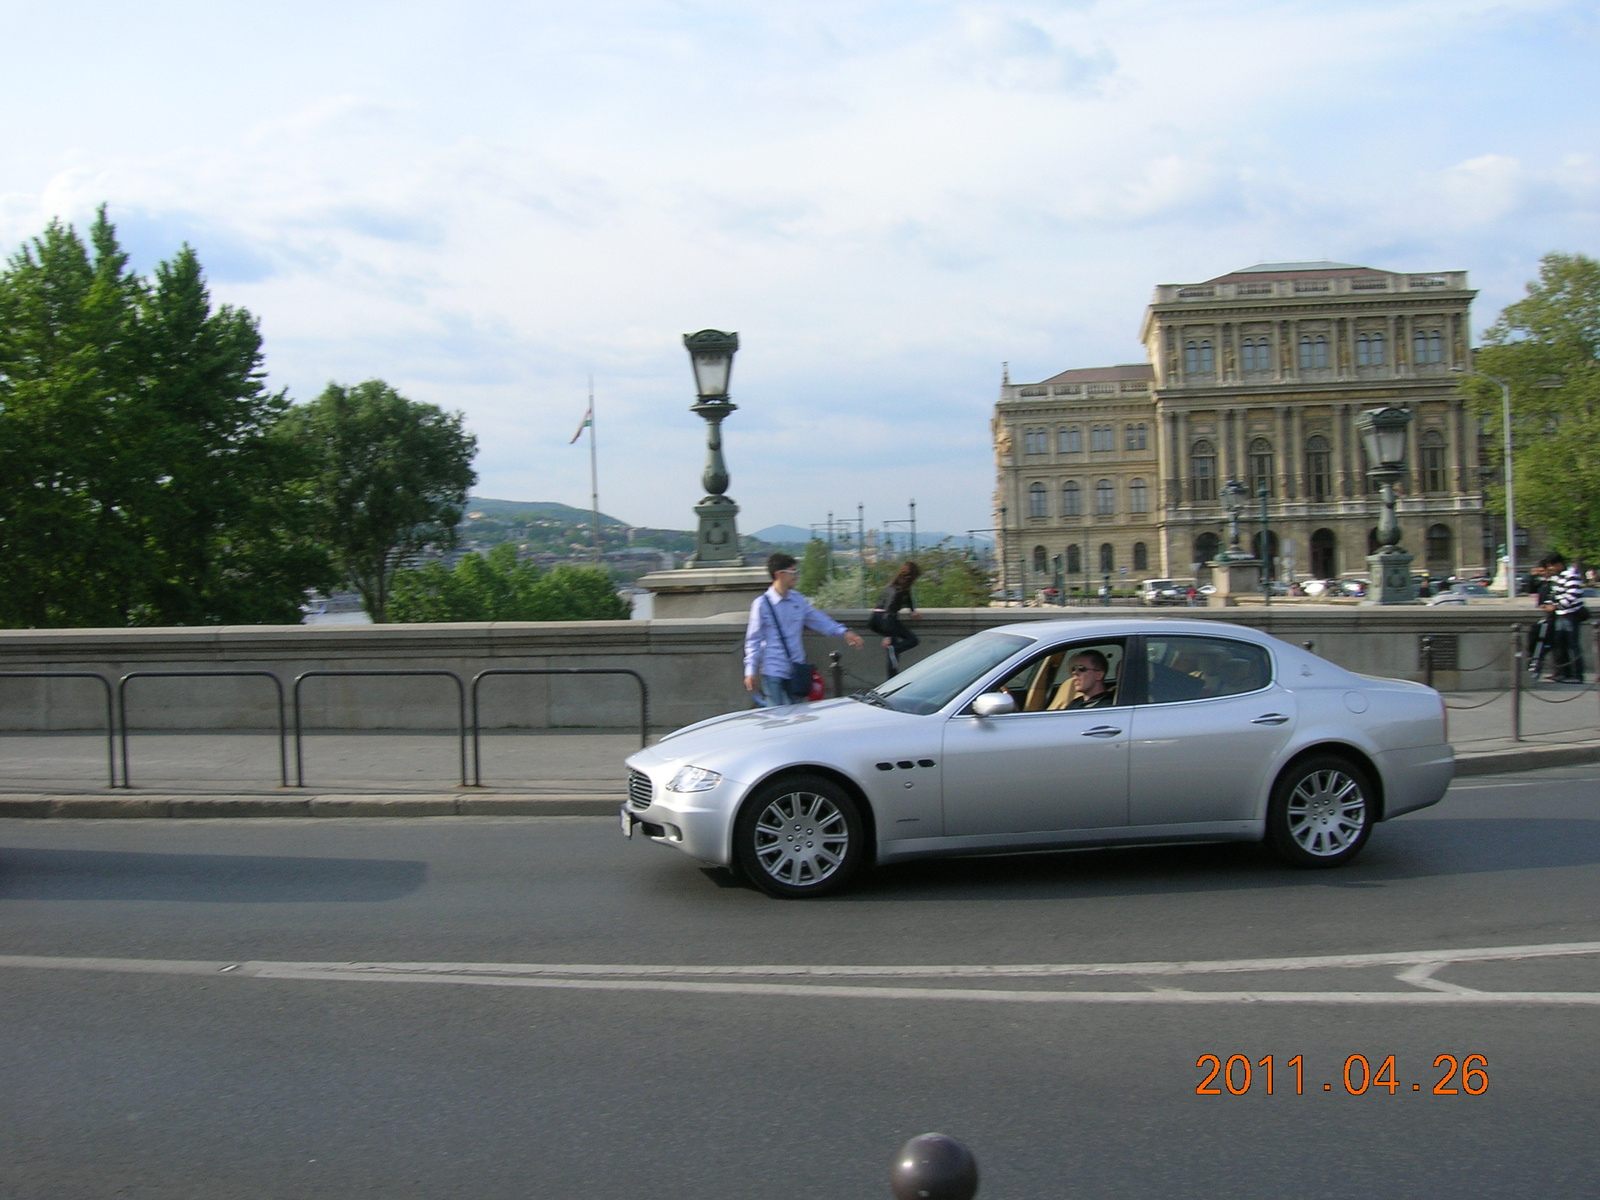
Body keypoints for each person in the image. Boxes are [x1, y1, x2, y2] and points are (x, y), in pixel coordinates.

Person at [744, 553, 863, 708]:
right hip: (773, 670)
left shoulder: (797, 600)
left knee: (796, 716)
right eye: (793, 572)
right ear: (779, 574)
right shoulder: (762, 604)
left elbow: (819, 621)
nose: (797, 576)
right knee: (775, 718)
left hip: (796, 669)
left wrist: (844, 632)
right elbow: (753, 640)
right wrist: (750, 671)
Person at [870, 562, 921, 675]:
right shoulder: (896, 592)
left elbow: (908, 598)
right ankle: (892, 679)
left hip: (879, 618)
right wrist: (887, 635)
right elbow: (889, 612)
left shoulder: (896, 586)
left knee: (904, 644)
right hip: (884, 620)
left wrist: (912, 611)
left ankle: (894, 651)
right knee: (908, 642)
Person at [1544, 552, 1586, 683]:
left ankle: (1578, 675)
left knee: (1572, 646)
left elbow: (1572, 597)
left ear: (1559, 564)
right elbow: (1553, 594)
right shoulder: (1557, 577)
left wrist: (1555, 606)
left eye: (1552, 566)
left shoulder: (1571, 575)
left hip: (1570, 615)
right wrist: (1549, 603)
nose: (1550, 569)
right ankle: (1564, 673)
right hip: (1560, 615)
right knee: (1560, 646)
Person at [1050, 649, 1117, 709]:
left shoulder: (1107, 706)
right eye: (1073, 669)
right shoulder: (1074, 703)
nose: (1074, 673)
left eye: (1081, 669)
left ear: (1099, 675)